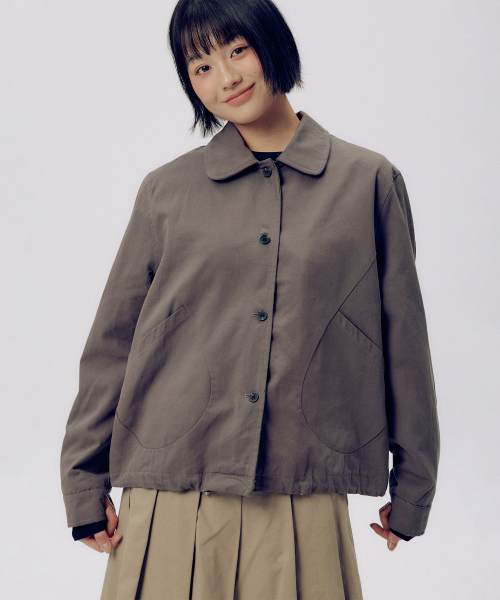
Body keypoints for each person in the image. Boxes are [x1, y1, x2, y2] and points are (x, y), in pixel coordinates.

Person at [60, 0, 440, 598]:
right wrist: (84, 486)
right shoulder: (165, 192)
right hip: (169, 493)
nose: (226, 77)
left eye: (238, 50)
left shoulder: (368, 183)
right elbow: (113, 343)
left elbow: (404, 346)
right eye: (201, 65)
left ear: (273, 44)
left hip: (304, 486)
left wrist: (413, 487)